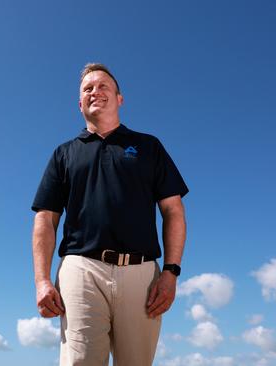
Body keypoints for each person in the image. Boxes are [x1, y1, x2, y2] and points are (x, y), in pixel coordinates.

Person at [31, 63, 188, 366]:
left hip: (141, 273)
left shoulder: (148, 147)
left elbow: (173, 211)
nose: (95, 92)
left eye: (104, 86)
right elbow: (45, 220)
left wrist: (171, 272)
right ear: (80, 104)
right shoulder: (63, 154)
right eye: (88, 88)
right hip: (81, 269)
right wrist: (42, 280)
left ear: (120, 99)